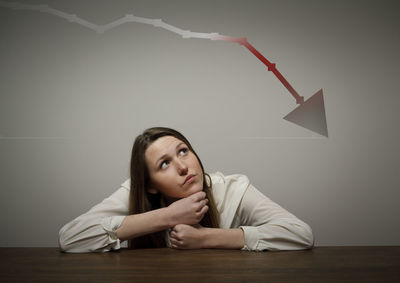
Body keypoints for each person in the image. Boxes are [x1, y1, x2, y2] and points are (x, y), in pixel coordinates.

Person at [59, 127, 314, 252]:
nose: (183, 166)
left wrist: (206, 238)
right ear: (150, 185)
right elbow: (70, 238)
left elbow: (300, 234)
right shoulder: (134, 192)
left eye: (183, 151)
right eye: (165, 163)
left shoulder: (232, 188)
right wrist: (168, 216)